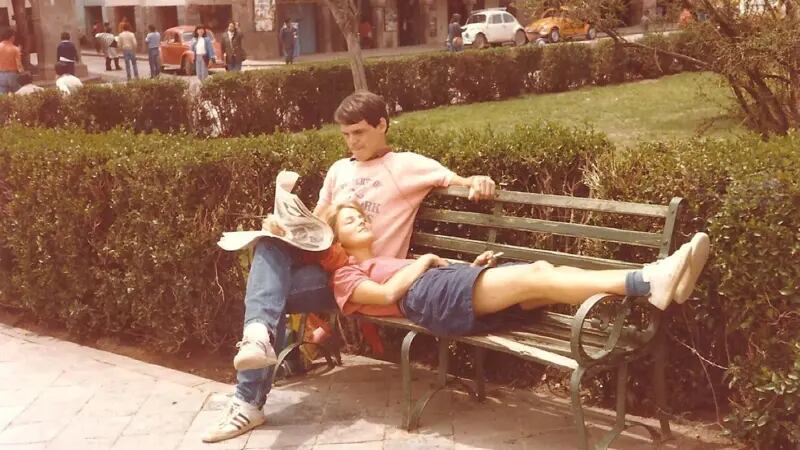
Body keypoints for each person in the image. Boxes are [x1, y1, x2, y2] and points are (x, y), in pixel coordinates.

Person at [201, 91, 497, 443]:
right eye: (345, 135)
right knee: (268, 245)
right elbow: (314, 224)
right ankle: (256, 349)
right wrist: (284, 224)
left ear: (382, 125)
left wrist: (478, 181)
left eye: (358, 132)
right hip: (327, 267)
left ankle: (248, 397)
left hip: (364, 276)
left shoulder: (405, 165)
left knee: (267, 294)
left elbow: (458, 180)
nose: (351, 142)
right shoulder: (340, 169)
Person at [329, 202, 711, 336]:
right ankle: (648, 279)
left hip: (441, 289)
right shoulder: (344, 274)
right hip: (426, 296)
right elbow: (385, 295)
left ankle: (652, 283)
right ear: (336, 239)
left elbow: (427, 280)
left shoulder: (385, 257)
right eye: (349, 221)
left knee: (542, 278)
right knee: (536, 276)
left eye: (361, 216)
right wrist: (425, 261)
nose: (360, 221)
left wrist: (469, 267)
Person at [0, 27, 22, 95]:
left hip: (1, 74)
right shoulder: (15, 49)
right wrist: (22, 74)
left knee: (3, 96)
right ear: (12, 37)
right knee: (17, 95)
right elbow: (19, 64)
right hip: (13, 74)